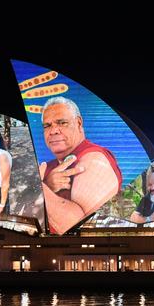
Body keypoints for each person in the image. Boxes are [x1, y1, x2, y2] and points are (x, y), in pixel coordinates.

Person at [38, 96, 122, 234]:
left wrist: (41, 189)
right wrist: (47, 185)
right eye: (47, 126)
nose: (53, 131)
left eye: (62, 122)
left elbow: (74, 227)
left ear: (78, 123)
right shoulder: (47, 168)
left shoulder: (94, 157)